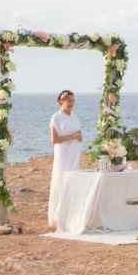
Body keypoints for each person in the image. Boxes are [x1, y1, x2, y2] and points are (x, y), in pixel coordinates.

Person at [47, 89, 83, 226]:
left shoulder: (75, 116)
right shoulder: (56, 117)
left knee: (73, 182)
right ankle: (58, 217)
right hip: (63, 154)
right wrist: (72, 137)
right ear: (61, 101)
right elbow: (54, 140)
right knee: (61, 181)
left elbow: (78, 133)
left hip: (74, 153)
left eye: (73, 100)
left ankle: (71, 215)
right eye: (68, 100)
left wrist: (78, 137)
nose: (71, 102)